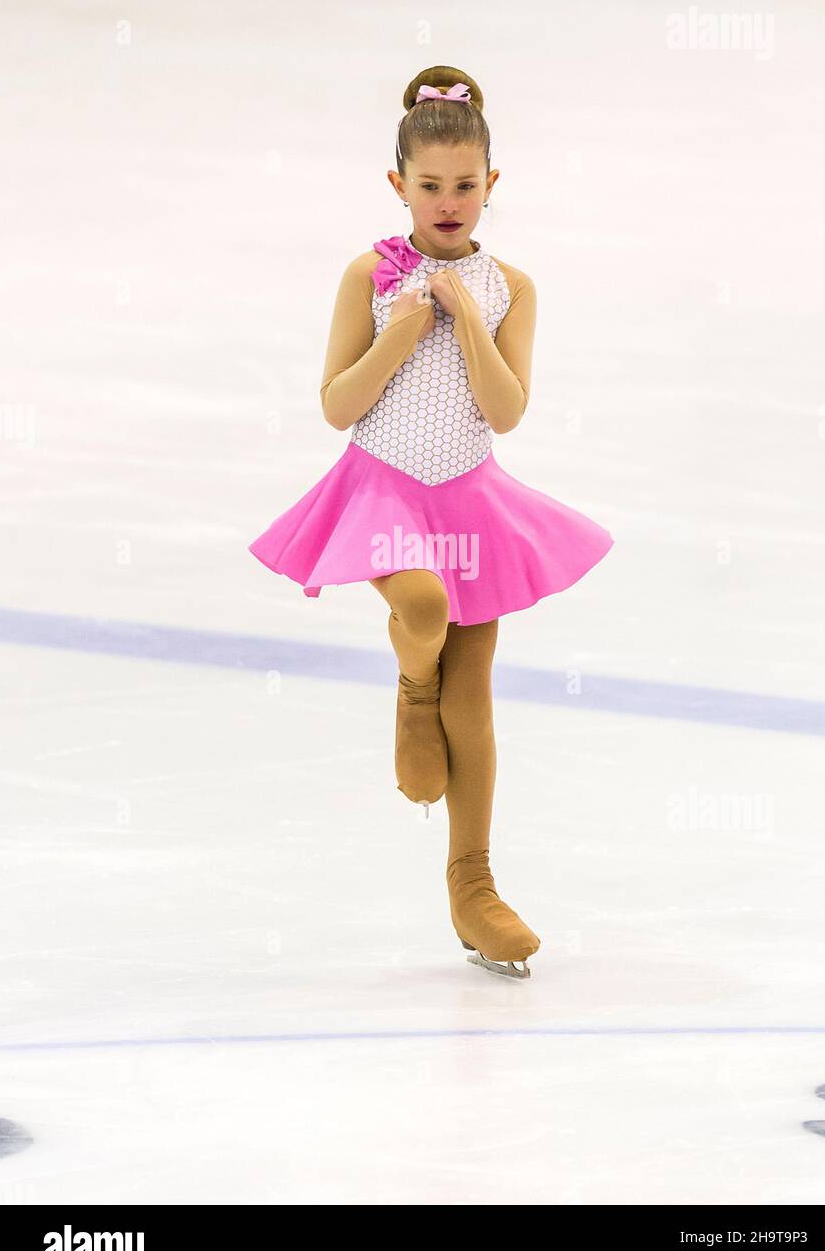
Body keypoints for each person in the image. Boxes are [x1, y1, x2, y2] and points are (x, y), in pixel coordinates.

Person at [248, 65, 614, 978]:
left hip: (469, 494)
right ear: (397, 185)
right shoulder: (370, 274)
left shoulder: (510, 287)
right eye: (429, 186)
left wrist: (468, 320)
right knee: (419, 605)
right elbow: (338, 405)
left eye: (464, 186)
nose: (447, 203)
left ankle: (473, 884)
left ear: (491, 185)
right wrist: (404, 329)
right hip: (382, 489)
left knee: (476, 694)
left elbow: (504, 410)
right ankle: (413, 690)